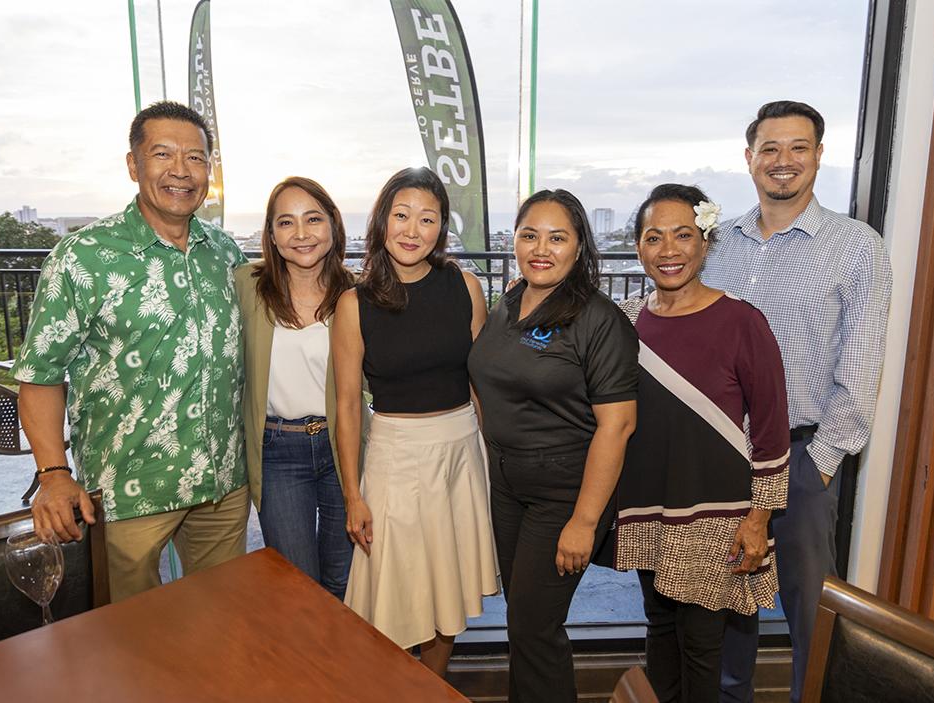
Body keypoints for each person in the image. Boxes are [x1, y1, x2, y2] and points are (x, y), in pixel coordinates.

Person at [12, 101, 249, 602]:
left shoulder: (224, 252)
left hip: (222, 486)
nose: (181, 171)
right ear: (133, 164)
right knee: (131, 642)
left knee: (223, 622)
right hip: (129, 493)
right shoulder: (83, 257)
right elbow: (40, 374)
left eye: (196, 158)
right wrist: (54, 474)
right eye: (162, 154)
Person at [701, 101, 893, 703]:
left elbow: (861, 366)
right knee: (729, 608)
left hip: (803, 454)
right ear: (749, 157)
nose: (783, 161)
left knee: (811, 611)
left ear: (818, 155)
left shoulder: (856, 247)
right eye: (770, 149)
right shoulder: (719, 242)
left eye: (798, 148)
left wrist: (821, 464)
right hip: (724, 453)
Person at [615, 184, 789, 703]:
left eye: (683, 235)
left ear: (706, 242)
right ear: (639, 247)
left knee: (701, 646)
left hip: (716, 514)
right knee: (659, 632)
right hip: (648, 507)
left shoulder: (742, 320)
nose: (669, 250)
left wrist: (758, 518)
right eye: (654, 237)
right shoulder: (626, 321)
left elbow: (771, 427)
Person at [468, 189, 638, 703]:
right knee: (522, 622)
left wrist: (584, 522)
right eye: (529, 235)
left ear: (580, 245)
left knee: (534, 627)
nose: (541, 248)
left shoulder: (597, 318)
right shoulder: (510, 301)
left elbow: (619, 426)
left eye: (557, 237)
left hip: (563, 492)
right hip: (507, 483)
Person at [332, 166, 499, 677]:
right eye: (401, 215)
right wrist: (353, 495)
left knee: (446, 587)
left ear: (441, 227)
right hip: (394, 459)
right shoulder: (353, 304)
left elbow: (481, 383)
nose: (412, 230)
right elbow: (345, 407)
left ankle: (433, 686)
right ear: (382, 221)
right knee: (392, 591)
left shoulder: (466, 286)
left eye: (427, 219)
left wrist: (495, 462)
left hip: (461, 452)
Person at [236, 176, 366, 600]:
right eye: (286, 223)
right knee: (295, 584)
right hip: (278, 451)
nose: (302, 234)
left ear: (333, 225)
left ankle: (342, 666)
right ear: (271, 236)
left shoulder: (359, 294)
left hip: (343, 446)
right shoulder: (246, 287)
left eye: (313, 219)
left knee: (345, 578)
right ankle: (304, 666)